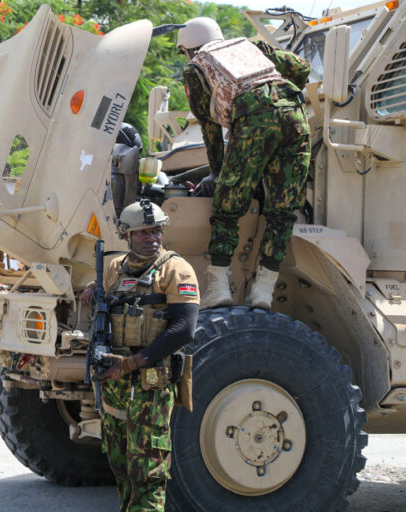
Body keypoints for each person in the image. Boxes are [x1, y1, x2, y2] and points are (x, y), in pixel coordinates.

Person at [177, 17, 311, 310]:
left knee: (228, 205)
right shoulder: (253, 45)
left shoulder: (196, 67)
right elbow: (302, 68)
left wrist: (219, 173)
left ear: (188, 48)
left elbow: (210, 129)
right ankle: (263, 292)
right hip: (295, 115)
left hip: (253, 119)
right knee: (283, 209)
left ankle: (218, 287)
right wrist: (279, 95)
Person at [80, 200, 199, 512]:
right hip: (114, 384)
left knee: (148, 471)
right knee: (120, 467)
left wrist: (133, 363)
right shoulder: (113, 268)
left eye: (156, 231)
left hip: (150, 383)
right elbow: (102, 296)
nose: (152, 238)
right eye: (143, 233)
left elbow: (184, 329)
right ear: (127, 236)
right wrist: (92, 291)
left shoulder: (176, 270)